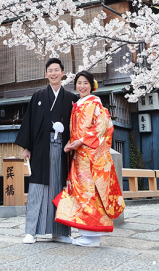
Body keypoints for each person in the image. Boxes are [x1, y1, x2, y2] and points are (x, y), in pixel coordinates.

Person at [54, 70, 125, 247]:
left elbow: (101, 127)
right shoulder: (77, 104)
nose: (82, 86)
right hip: (79, 156)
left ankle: (92, 237)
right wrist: (71, 143)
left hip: (91, 157)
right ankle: (87, 234)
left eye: (86, 83)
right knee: (80, 193)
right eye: (79, 83)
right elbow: (75, 130)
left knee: (89, 194)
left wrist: (79, 141)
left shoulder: (95, 103)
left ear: (92, 85)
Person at [14, 57, 78, 244]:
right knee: (37, 188)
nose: (53, 73)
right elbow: (30, 123)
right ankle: (31, 231)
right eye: (50, 70)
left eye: (56, 70)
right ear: (46, 74)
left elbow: (76, 127)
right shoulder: (38, 97)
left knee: (60, 188)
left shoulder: (71, 98)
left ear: (63, 73)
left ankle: (61, 232)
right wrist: (27, 147)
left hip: (62, 149)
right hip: (42, 147)